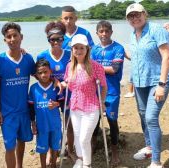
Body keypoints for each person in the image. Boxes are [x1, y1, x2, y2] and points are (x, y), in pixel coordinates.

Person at [126, 3, 169, 168]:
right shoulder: (133, 34)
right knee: (142, 113)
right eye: (131, 16)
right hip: (140, 81)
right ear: (127, 20)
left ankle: (156, 161)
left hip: (157, 79)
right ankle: (148, 147)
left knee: (151, 117)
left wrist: (161, 85)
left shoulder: (156, 30)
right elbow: (136, 57)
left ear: (145, 14)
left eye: (137, 14)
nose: (135, 18)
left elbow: (167, 56)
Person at [62, 34, 107, 168]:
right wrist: (60, 84)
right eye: (76, 48)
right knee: (77, 136)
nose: (78, 51)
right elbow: (68, 83)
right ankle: (80, 160)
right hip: (75, 106)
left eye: (81, 48)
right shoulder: (70, 66)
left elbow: (103, 86)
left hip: (91, 107)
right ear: (72, 50)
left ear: (87, 49)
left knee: (84, 138)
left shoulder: (96, 66)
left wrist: (102, 102)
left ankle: (87, 165)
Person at [0, 22, 34, 168]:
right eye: (8, 37)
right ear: (4, 40)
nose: (12, 39)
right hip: (7, 112)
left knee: (21, 140)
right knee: (9, 146)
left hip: (23, 110)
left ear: (21, 37)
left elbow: (41, 76)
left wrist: (55, 81)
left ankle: (20, 165)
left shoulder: (28, 59)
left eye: (15, 35)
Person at [36, 21, 73, 163]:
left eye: (59, 39)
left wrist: (64, 82)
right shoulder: (42, 55)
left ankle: (70, 150)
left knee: (69, 124)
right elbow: (38, 74)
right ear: (48, 40)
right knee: (52, 125)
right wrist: (54, 80)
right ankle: (53, 152)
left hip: (68, 94)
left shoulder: (70, 54)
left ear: (63, 39)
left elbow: (77, 71)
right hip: (51, 96)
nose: (56, 42)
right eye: (53, 39)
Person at [91, 20, 125, 167]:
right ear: (97, 33)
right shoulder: (93, 50)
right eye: (101, 31)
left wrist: (95, 68)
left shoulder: (118, 48)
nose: (104, 34)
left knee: (112, 121)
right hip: (94, 91)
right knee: (94, 120)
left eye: (107, 31)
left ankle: (115, 151)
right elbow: (86, 69)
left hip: (112, 91)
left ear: (111, 32)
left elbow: (114, 69)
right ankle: (92, 146)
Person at [28, 59, 64, 168]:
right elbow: (31, 108)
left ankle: (53, 164)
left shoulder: (55, 87)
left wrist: (56, 104)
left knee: (54, 146)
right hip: (41, 125)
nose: (43, 75)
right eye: (40, 73)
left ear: (50, 72)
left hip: (55, 123)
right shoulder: (33, 88)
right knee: (42, 147)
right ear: (36, 74)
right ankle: (43, 166)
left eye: (45, 72)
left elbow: (62, 103)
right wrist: (33, 123)